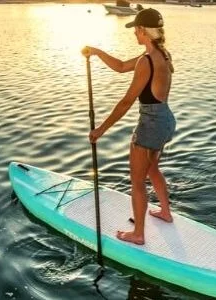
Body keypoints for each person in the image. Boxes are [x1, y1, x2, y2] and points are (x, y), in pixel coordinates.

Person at [81, 8, 176, 245]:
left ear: (144, 30)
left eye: (136, 28)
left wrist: (100, 130)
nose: (134, 32)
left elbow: (126, 102)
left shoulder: (146, 61)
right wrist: (95, 52)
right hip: (165, 120)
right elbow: (122, 66)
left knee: (136, 181)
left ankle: (139, 234)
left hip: (151, 124)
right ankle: (165, 212)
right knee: (152, 169)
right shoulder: (162, 54)